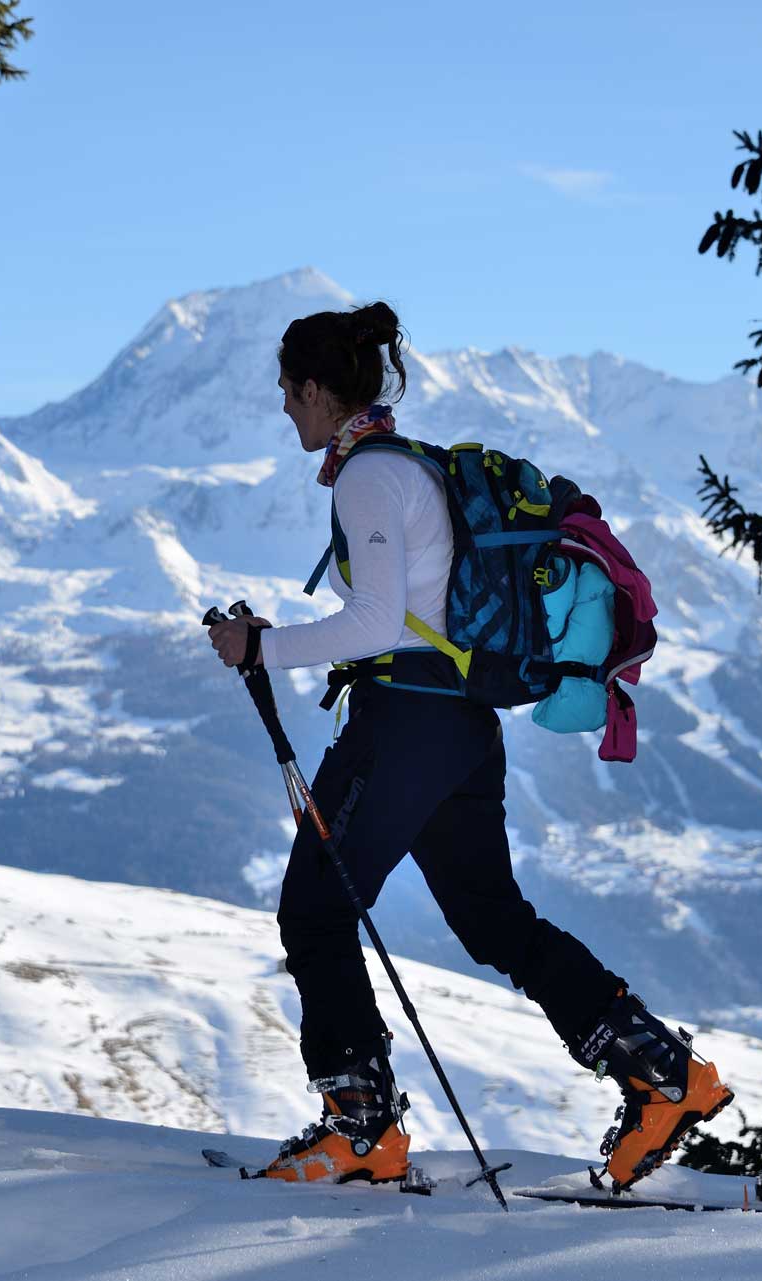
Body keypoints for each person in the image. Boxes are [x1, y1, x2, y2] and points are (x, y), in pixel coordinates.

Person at [205, 301, 732, 1191]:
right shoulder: (414, 467)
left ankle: (362, 1130)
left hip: (405, 723)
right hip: (461, 728)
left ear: (318, 388)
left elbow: (375, 620)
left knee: (316, 908)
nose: (286, 412)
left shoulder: (369, 478)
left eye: (290, 394)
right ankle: (663, 1074)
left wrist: (261, 647)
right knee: (494, 919)